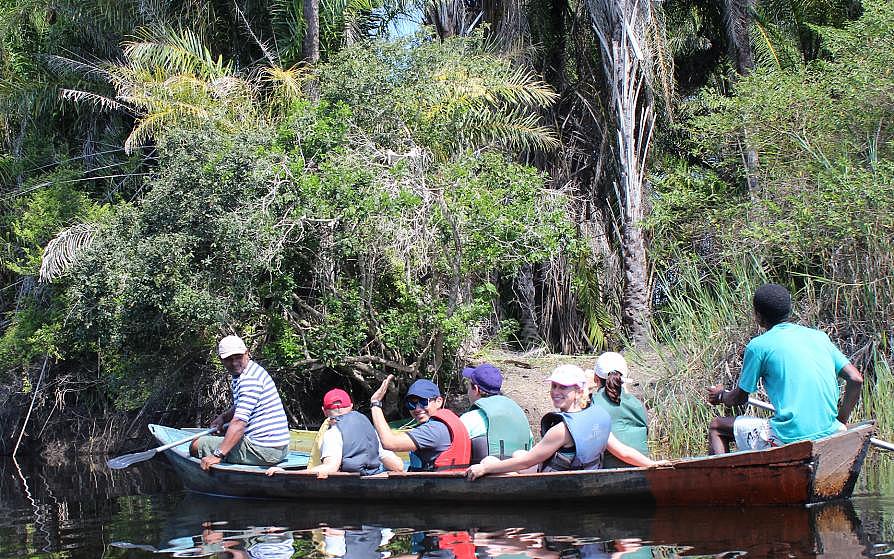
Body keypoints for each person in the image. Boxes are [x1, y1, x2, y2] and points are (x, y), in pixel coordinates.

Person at [706, 283, 864, 453]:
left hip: (789, 436)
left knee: (717, 426)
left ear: (758, 316)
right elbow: (855, 379)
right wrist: (840, 422)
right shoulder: (820, 337)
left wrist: (721, 396)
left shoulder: (758, 346)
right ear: (789, 310)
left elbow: (739, 398)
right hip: (831, 430)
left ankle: (720, 478)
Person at [466, 365, 666, 480]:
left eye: (563, 388)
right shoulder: (599, 416)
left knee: (489, 461)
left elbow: (528, 462)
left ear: (578, 391)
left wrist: (485, 469)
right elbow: (622, 451)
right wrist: (652, 464)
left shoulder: (561, 430)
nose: (555, 392)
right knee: (518, 453)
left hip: (556, 482)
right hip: (582, 476)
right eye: (554, 386)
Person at [190, 335, 290, 470]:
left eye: (238, 357)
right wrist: (224, 418)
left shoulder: (248, 380)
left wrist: (218, 455)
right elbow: (240, 406)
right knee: (222, 433)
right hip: (280, 448)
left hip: (265, 451)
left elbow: (239, 423)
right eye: (229, 359)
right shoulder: (251, 370)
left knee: (195, 444)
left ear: (247, 353)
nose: (234, 363)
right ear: (221, 360)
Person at [369, 375, 471, 471]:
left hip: (435, 486)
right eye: (411, 404)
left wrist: (375, 403)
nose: (417, 409)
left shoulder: (433, 430)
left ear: (439, 401)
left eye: (423, 402)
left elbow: (389, 443)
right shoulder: (440, 425)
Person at [307, 388, 404, 475]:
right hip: (372, 480)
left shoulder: (333, 433)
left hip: (348, 487)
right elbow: (398, 466)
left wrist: (297, 475)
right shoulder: (370, 430)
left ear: (324, 411)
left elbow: (331, 467)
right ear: (351, 407)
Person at [459, 363, 534, 463]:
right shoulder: (521, 419)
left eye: (469, 386)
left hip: (482, 476)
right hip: (519, 475)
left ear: (476, 389)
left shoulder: (469, 419)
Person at [590, 352, 649, 468]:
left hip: (606, 473)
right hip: (642, 468)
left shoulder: (591, 404)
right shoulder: (639, 405)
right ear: (624, 379)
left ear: (595, 378)